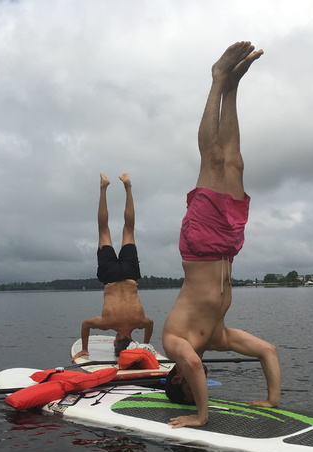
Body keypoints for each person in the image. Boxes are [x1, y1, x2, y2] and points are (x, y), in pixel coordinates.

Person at [162, 41, 282, 428]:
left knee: (212, 159)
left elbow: (193, 365)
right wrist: (272, 400)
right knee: (234, 160)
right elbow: (268, 351)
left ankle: (217, 78)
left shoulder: (173, 342)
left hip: (200, 245)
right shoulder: (217, 337)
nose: (193, 378)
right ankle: (233, 86)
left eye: (188, 386)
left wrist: (200, 416)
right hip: (229, 248)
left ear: (176, 378)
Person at [72, 173, 154, 361]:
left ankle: (127, 186)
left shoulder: (141, 322)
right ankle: (103, 187)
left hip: (130, 275)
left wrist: (146, 343)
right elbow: (85, 324)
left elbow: (151, 324)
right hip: (110, 276)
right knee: (103, 229)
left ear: (131, 341)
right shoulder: (107, 323)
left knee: (129, 228)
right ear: (116, 342)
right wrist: (84, 348)